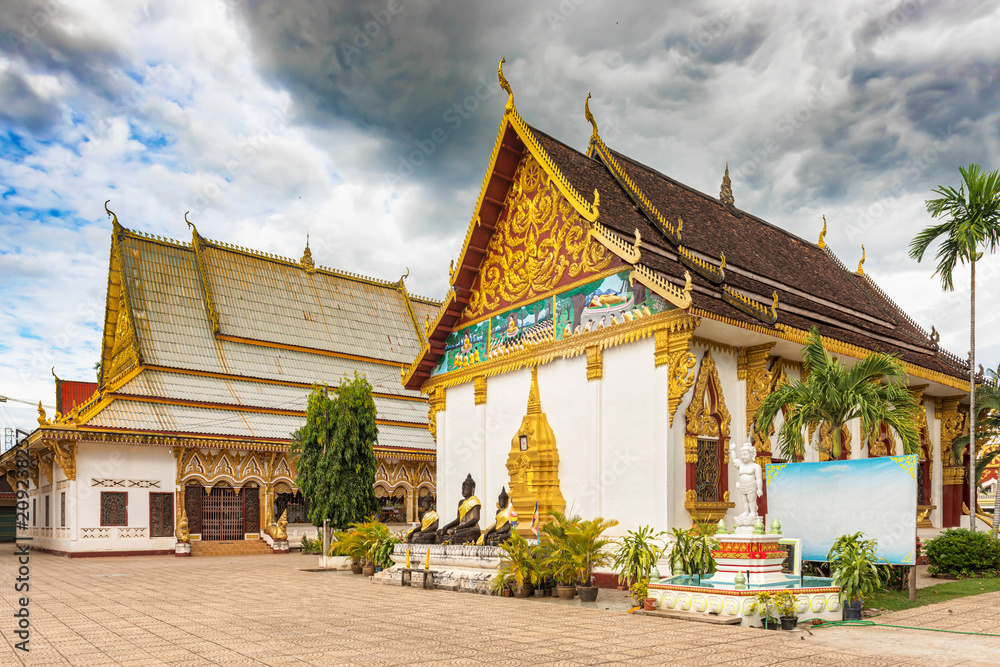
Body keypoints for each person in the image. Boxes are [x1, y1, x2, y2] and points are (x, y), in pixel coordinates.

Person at [435, 474, 481, 544]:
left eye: (465, 489)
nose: (463, 490)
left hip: (471, 528)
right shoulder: (461, 502)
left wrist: (461, 527)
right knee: (440, 531)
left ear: (472, 489)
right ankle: (450, 537)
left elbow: (475, 519)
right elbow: (458, 519)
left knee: (458, 534)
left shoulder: (475, 501)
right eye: (462, 488)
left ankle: (450, 538)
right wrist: (447, 526)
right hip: (460, 528)